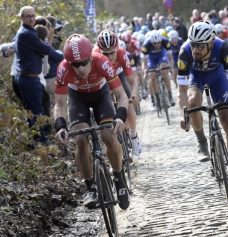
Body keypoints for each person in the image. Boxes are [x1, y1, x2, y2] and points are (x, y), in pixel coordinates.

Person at [54, 34, 130, 210]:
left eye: (84, 62)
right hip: (77, 99)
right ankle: (89, 187)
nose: (80, 68)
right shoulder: (63, 69)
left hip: (101, 96)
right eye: (75, 64)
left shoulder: (102, 62)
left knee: (109, 137)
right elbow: (59, 105)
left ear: (91, 56)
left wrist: (120, 116)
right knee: (80, 139)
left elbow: (121, 95)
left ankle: (118, 177)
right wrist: (60, 127)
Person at [177, 20, 228, 198]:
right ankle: (201, 140)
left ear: (211, 42)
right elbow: (182, 92)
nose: (195, 49)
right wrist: (183, 115)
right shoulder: (185, 53)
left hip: (218, 79)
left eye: (200, 46)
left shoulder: (223, 48)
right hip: (196, 78)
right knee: (193, 101)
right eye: (193, 44)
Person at [94, 29, 142, 156]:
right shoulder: (95, 56)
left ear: (117, 48)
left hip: (119, 75)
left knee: (129, 109)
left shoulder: (122, 54)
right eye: (105, 53)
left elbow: (132, 81)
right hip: (103, 78)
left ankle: (133, 135)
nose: (109, 57)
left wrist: (134, 94)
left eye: (112, 53)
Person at [15, 6, 56, 143]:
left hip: (27, 77)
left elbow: (43, 50)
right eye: (28, 16)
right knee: (37, 110)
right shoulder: (27, 33)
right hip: (29, 78)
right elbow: (47, 49)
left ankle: (34, 138)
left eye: (33, 16)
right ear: (22, 18)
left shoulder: (29, 31)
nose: (32, 18)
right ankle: (41, 140)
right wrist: (42, 49)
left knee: (32, 110)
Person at [141, 30, 175, 110]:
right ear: (151, 42)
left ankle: (170, 95)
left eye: (159, 42)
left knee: (164, 69)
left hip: (161, 56)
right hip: (151, 58)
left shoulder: (166, 42)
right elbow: (144, 63)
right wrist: (145, 71)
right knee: (152, 76)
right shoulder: (146, 45)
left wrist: (171, 68)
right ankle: (157, 100)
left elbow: (170, 58)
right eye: (155, 43)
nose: (157, 44)